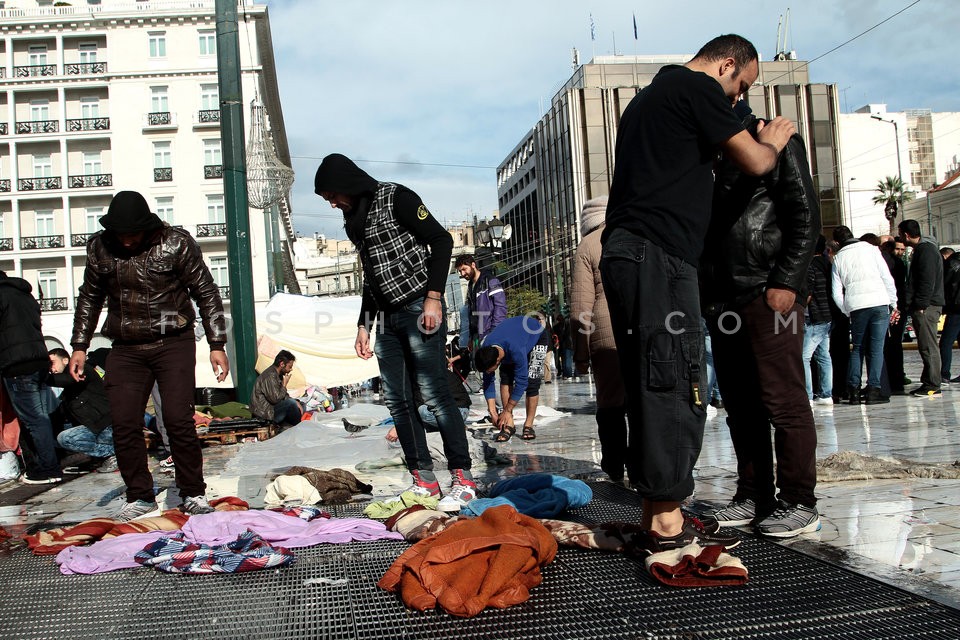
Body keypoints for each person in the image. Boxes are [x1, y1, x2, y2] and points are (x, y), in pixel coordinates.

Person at [599, 34, 796, 553]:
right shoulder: (695, 87)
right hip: (657, 254)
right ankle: (667, 522)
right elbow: (755, 161)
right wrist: (772, 138)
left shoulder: (649, 99)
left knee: (649, 377)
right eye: (741, 86)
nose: (737, 100)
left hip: (628, 252)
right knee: (673, 376)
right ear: (727, 64)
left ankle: (653, 511)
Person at [314, 153, 475, 512]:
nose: (333, 203)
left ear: (348, 184)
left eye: (332, 195)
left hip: (419, 306)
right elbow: (372, 280)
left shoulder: (397, 197)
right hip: (385, 319)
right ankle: (424, 483)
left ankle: (462, 479)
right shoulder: (354, 222)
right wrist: (363, 325)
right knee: (399, 403)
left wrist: (434, 298)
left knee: (434, 395)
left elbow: (441, 241)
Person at [700, 100, 821, 538]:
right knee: (740, 405)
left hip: (767, 291)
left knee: (782, 400)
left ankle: (799, 501)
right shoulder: (707, 153)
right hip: (723, 296)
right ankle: (754, 494)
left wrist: (786, 282)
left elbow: (805, 214)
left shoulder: (775, 137)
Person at [70, 190, 230, 521]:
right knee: (124, 422)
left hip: (173, 340)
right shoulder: (100, 248)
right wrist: (79, 346)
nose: (128, 241)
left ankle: (192, 492)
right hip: (126, 347)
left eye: (134, 234)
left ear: (149, 227)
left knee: (176, 419)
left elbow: (206, 293)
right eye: (121, 235)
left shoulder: (176, 243)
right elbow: (89, 297)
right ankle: (139, 495)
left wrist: (217, 344)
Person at [571, 196, 628, 483]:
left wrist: (580, 355)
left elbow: (581, 308)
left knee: (611, 404)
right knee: (643, 401)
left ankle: (614, 468)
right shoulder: (635, 233)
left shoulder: (588, 244)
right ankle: (645, 466)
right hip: (644, 330)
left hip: (605, 339)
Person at [0, 271, 61, 484]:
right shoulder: (24, 294)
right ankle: (43, 465)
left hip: (17, 365)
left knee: (34, 420)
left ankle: (48, 468)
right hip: (37, 360)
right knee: (39, 417)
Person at [831, 226, 898, 404]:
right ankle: (874, 390)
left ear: (837, 242)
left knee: (858, 348)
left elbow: (836, 292)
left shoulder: (838, 258)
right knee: (876, 349)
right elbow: (886, 278)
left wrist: (847, 309)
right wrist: (893, 302)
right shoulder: (872, 250)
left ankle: (853, 391)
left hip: (856, 306)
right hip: (879, 301)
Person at [473, 315, 550, 442]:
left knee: (532, 381)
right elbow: (488, 381)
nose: (488, 373)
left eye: (489, 370)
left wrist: (507, 409)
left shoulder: (516, 349)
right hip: (513, 338)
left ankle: (529, 425)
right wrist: (492, 412)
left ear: (498, 360)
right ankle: (509, 424)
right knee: (506, 379)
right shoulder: (486, 349)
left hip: (536, 336)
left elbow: (522, 383)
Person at [47, 348, 116, 473]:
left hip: (107, 424)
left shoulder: (82, 370)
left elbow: (69, 379)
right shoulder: (68, 393)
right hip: (98, 427)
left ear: (65, 360)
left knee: (65, 438)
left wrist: (43, 378)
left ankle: (114, 453)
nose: (52, 369)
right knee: (60, 434)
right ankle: (105, 455)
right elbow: (59, 413)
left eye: (53, 363)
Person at [898, 219, 945, 397]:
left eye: (901, 234)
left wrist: (922, 305)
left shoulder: (926, 251)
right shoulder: (924, 249)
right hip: (926, 304)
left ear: (906, 235)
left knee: (928, 346)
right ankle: (928, 381)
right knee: (926, 345)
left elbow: (927, 280)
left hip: (927, 306)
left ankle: (933, 384)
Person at [804, 235, 834, 404]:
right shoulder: (828, 265)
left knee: (804, 357)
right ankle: (826, 394)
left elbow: (808, 293)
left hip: (814, 317)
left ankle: (807, 395)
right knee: (823, 355)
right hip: (827, 315)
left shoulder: (810, 267)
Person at [454, 254, 507, 352]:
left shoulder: (490, 280)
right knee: (477, 366)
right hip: (477, 336)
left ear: (473, 265)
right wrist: (471, 337)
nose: (462, 273)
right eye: (460, 271)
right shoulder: (471, 285)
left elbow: (501, 307)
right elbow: (472, 314)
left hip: (490, 334)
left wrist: (494, 332)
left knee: (490, 365)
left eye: (464, 269)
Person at [880, 237, 909, 395]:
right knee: (895, 344)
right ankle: (897, 379)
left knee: (888, 345)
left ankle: (889, 381)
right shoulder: (898, 263)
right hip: (898, 306)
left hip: (891, 306)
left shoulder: (887, 263)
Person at [250, 350, 303, 427]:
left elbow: (284, 396)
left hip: (272, 409)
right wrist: (284, 385)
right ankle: (297, 427)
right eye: (289, 367)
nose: (291, 370)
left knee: (300, 404)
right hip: (265, 414)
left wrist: (296, 402)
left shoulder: (278, 375)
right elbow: (275, 398)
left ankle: (288, 425)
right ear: (282, 364)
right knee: (291, 404)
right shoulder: (270, 376)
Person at [938, 247, 960, 383]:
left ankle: (944, 373)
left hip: (956, 308)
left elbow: (945, 284)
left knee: (946, 342)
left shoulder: (952, 264)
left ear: (945, 256)